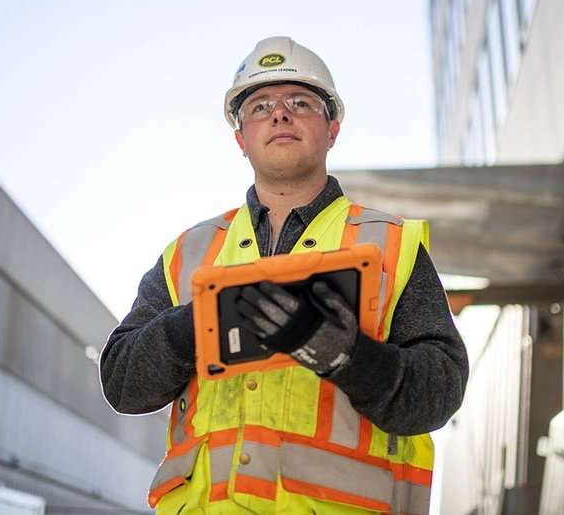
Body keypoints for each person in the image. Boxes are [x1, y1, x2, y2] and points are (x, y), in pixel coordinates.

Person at [100, 36, 468, 514]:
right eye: (260, 106)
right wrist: (199, 323)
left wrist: (349, 357)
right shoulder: (186, 255)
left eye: (300, 102)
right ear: (241, 138)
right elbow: (123, 384)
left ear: (332, 128)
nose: (280, 114)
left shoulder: (391, 248)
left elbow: (438, 392)